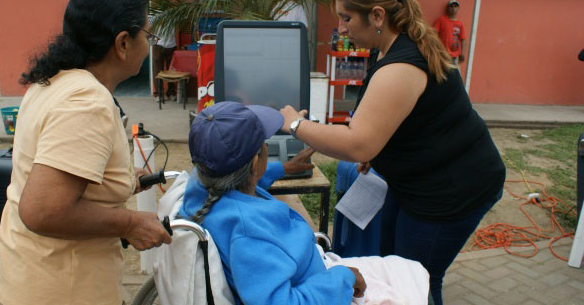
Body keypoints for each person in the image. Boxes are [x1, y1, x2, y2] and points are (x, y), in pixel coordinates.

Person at [279, 0, 505, 304]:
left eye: (346, 18)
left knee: (417, 280)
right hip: (418, 180)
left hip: (451, 191)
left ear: (377, 15)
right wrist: (376, 150)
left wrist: (295, 125)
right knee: (390, 265)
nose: (340, 28)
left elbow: (359, 143)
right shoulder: (386, 47)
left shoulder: (401, 66)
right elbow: (391, 122)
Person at [0, 0, 172, 305]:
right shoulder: (87, 102)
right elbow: (44, 210)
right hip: (61, 291)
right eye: (148, 35)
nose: (149, 44)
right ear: (122, 43)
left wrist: (116, 184)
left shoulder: (52, 82)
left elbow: (56, 171)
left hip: (23, 276)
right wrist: (130, 223)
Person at [179, 101, 431, 305]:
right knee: (413, 274)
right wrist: (342, 279)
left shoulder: (202, 187)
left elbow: (236, 180)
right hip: (322, 287)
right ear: (255, 163)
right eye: (263, 145)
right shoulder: (249, 235)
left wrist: (284, 169)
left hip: (311, 273)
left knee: (408, 270)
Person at [433, 0, 466, 67]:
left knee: (453, 75)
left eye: (455, 7)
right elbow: (433, 34)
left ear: (458, 8)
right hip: (442, 54)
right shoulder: (441, 20)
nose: (453, 9)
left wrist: (462, 54)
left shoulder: (460, 24)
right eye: (451, 6)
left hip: (454, 56)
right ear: (448, 8)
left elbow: (463, 39)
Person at [151, 18, 177, 102]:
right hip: (158, 44)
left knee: (172, 71)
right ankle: (158, 94)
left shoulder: (174, 14)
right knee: (157, 70)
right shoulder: (156, 14)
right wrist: (152, 38)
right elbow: (148, 25)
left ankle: (171, 92)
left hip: (172, 45)